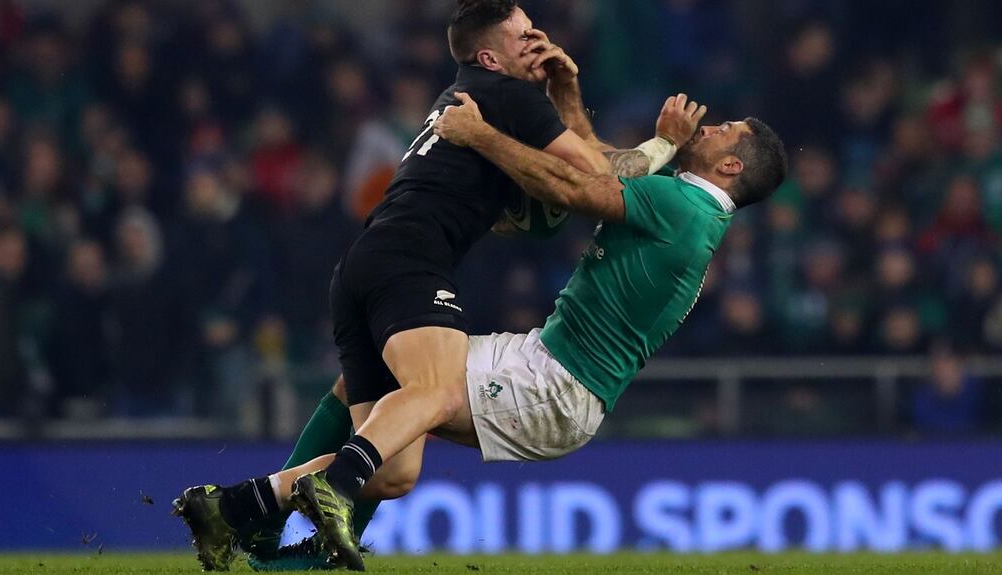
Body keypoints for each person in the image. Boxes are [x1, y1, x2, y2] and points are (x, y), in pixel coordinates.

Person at [174, 90, 787, 571]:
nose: (710, 126)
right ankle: (295, 535)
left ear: (731, 165)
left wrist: (477, 134)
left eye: (724, 129)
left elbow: (571, 185)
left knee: (417, 410)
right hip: (544, 362)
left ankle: (243, 505)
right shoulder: (685, 207)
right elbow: (596, 165)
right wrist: (570, 95)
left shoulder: (684, 208)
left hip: (556, 388)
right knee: (374, 392)